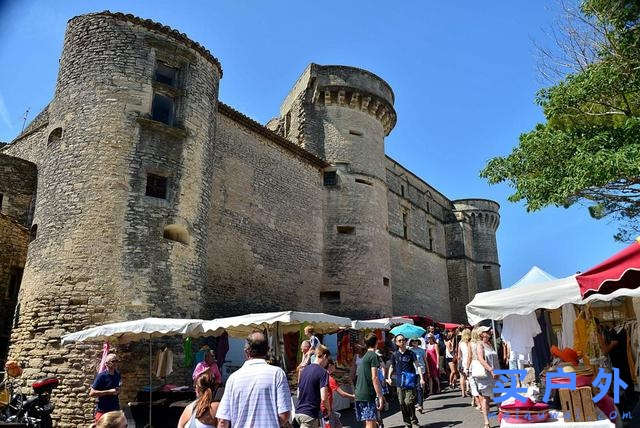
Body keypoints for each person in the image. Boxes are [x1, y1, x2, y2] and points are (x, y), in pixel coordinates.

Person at [217, 332, 292, 428]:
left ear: (246, 351)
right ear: (267, 350)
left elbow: (223, 420)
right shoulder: (277, 374)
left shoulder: (233, 378)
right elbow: (284, 414)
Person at [386, 334, 424, 428]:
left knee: (409, 402)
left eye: (403, 340)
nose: (402, 342)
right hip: (400, 383)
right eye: (399, 341)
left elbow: (417, 365)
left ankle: (413, 419)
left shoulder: (411, 353)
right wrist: (389, 377)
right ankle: (408, 423)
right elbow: (391, 366)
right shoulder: (395, 354)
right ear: (396, 343)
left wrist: (422, 378)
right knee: (402, 404)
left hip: (409, 381)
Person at [296, 345, 331, 428]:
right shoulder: (323, 372)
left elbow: (298, 392)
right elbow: (324, 397)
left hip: (298, 413)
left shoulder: (304, 370)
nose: (327, 363)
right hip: (310, 414)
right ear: (324, 356)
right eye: (327, 360)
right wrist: (328, 409)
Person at [355, 333, 386, 428]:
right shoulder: (373, 356)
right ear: (376, 342)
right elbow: (374, 377)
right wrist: (380, 396)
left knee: (369, 421)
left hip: (360, 393)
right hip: (367, 394)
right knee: (370, 421)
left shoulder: (366, 356)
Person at [475, 326, 499, 428]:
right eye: (487, 331)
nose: (489, 332)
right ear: (482, 334)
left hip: (496, 374)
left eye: (489, 331)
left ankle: (502, 418)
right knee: (486, 398)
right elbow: (481, 359)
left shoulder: (490, 343)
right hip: (486, 374)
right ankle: (486, 422)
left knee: (498, 396)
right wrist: (490, 369)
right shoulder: (480, 344)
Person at [89, 353, 122, 423]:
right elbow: (92, 393)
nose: (116, 363)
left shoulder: (117, 374)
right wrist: (109, 391)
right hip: (103, 410)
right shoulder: (101, 376)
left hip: (115, 409)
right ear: (107, 363)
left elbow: (118, 388)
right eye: (113, 361)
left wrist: (118, 390)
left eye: (117, 361)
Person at [323, 358, 355, 428]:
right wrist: (354, 396)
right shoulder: (330, 379)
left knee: (338, 425)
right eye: (334, 364)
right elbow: (342, 394)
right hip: (326, 409)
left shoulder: (323, 376)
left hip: (328, 408)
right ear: (330, 366)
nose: (335, 366)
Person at [409, 339, 428, 413]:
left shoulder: (422, 350)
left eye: (416, 341)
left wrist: (428, 370)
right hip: (412, 371)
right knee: (414, 389)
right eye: (413, 341)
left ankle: (420, 405)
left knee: (419, 388)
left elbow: (425, 360)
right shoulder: (409, 350)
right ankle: (417, 403)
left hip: (421, 370)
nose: (415, 342)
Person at [468, 328, 482, 410]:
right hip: (481, 364)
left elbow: (470, 356)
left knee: (473, 385)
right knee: (481, 384)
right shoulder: (481, 343)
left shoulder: (470, 343)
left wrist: (467, 367)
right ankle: (483, 401)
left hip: (474, 364)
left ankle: (479, 404)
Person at [457, 329, 472, 399]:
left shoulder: (460, 343)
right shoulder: (471, 342)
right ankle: (470, 390)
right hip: (470, 361)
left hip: (463, 362)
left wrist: (458, 364)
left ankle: (463, 392)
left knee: (462, 377)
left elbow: (459, 355)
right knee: (470, 377)